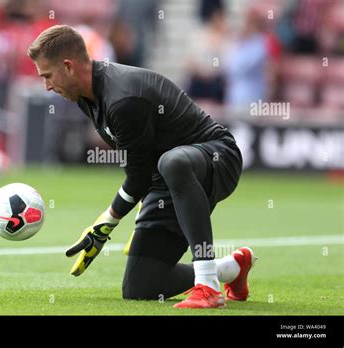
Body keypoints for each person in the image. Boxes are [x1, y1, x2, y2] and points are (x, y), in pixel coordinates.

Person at [28, 25, 256, 309]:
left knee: (172, 161)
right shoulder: (86, 95)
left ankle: (207, 286)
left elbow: (137, 177)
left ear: (68, 67)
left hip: (217, 156)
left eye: (47, 76)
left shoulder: (122, 98)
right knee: (142, 286)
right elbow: (142, 165)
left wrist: (106, 223)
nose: (47, 86)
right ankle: (230, 269)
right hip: (165, 176)